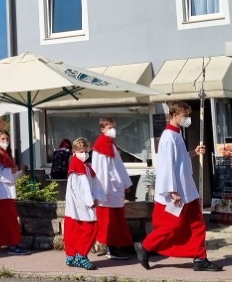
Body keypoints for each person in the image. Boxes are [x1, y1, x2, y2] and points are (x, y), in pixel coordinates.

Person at [135, 101, 223, 272]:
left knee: (197, 224)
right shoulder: (168, 137)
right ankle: (144, 246)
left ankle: (200, 258)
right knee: (172, 226)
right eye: (185, 115)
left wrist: (194, 152)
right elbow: (166, 165)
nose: (187, 119)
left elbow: (179, 159)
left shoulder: (177, 134)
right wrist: (171, 190)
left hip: (187, 189)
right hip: (177, 191)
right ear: (175, 115)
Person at [91, 117, 134, 261]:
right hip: (108, 190)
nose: (113, 130)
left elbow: (118, 167)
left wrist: (125, 184)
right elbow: (101, 172)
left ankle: (113, 247)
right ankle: (111, 249)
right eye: (110, 128)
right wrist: (101, 192)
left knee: (116, 221)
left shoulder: (111, 144)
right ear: (102, 129)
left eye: (114, 127)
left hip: (115, 188)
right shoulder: (101, 147)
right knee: (110, 223)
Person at [0, 129, 29, 255]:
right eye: (3, 139)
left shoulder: (5, 155)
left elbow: (9, 176)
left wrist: (19, 172)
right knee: (9, 221)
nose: (5, 141)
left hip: (4, 194)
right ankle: (13, 244)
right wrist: (10, 171)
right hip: (1, 194)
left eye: (7, 139)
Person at [64, 137, 106, 270]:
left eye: (86, 151)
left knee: (76, 230)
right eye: (81, 151)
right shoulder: (78, 167)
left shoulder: (84, 166)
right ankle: (81, 255)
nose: (84, 154)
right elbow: (83, 188)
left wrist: (97, 197)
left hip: (79, 205)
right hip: (82, 204)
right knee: (90, 229)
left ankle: (72, 256)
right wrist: (91, 201)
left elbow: (93, 183)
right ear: (74, 152)